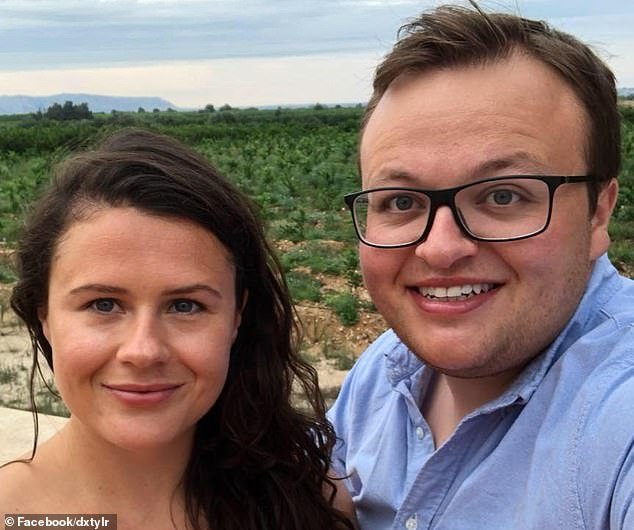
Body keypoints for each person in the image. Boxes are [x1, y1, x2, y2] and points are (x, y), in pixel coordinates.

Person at [328, 2, 634, 528]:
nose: (440, 249)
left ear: (598, 213)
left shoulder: (618, 417)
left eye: (503, 196)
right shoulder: (383, 369)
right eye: (400, 201)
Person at [0, 129, 355, 530]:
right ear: (44, 316)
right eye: (104, 304)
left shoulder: (311, 504)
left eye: (185, 306)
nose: (143, 351)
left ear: (237, 316)